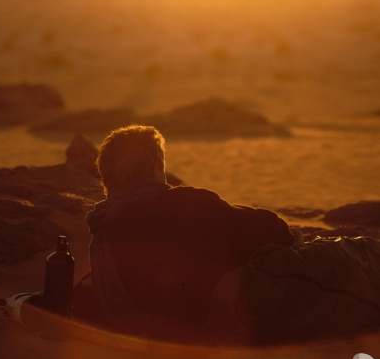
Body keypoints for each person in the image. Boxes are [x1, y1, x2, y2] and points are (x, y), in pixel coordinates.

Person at [84, 125, 294, 342]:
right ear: (157, 169)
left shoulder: (102, 229)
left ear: (106, 179)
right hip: (204, 335)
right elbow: (275, 230)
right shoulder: (186, 204)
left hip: (148, 333)